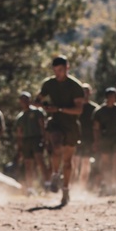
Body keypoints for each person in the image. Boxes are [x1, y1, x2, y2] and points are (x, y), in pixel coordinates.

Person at [36, 56, 84, 206]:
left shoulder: (75, 86)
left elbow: (78, 110)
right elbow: (38, 99)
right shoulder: (49, 84)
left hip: (71, 126)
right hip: (55, 122)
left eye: (60, 70)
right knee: (56, 148)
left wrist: (60, 109)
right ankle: (56, 175)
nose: (58, 73)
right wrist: (43, 105)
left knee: (68, 161)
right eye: (55, 70)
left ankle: (65, 189)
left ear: (67, 68)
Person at [92, 87, 116, 194]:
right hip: (105, 140)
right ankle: (107, 184)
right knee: (106, 163)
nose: (112, 99)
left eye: (114, 97)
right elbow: (96, 128)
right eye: (110, 97)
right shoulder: (99, 111)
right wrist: (96, 141)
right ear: (106, 97)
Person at [14, 92, 49, 195]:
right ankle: (30, 188)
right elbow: (19, 133)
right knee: (28, 164)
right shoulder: (20, 117)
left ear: (30, 100)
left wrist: (45, 139)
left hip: (36, 139)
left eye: (26, 99)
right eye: (22, 99)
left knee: (40, 161)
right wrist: (19, 147)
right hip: (26, 141)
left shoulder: (38, 112)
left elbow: (43, 127)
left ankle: (47, 184)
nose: (24, 101)